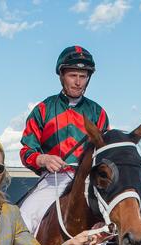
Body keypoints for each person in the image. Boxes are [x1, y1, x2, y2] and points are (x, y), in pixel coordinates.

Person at [18, 45, 109, 233]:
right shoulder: (43, 109)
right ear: (61, 76)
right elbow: (26, 151)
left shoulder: (98, 113)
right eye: (72, 75)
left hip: (88, 182)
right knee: (23, 218)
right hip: (53, 180)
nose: (78, 82)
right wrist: (42, 159)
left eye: (83, 76)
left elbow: (107, 155)